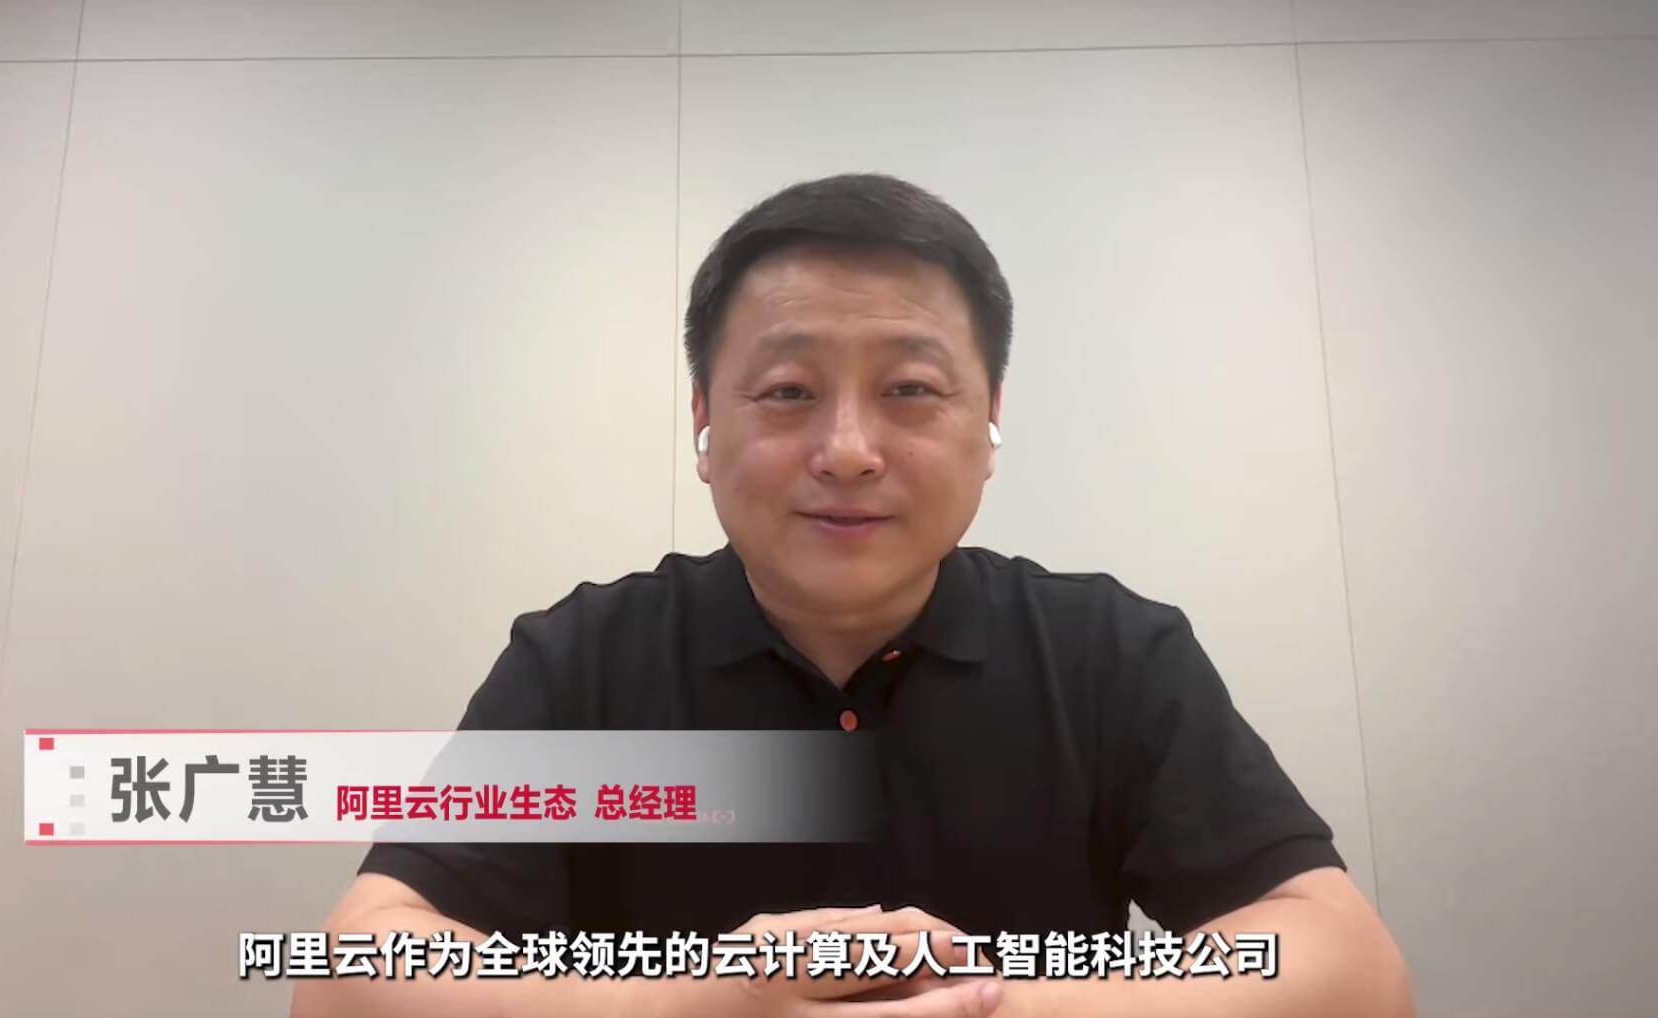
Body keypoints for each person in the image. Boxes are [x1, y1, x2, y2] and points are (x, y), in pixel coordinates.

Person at [293, 173, 1413, 1018]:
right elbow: (349, 973)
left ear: (989, 421)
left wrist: (991, 1003)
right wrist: (696, 1004)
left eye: (909, 390)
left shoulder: (1108, 652)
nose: (845, 450)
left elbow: (1351, 969)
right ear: (703, 423)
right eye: (788, 392)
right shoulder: (586, 658)